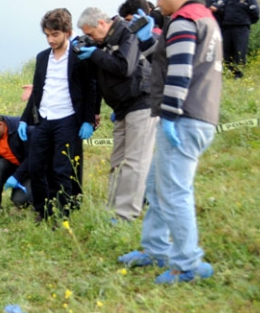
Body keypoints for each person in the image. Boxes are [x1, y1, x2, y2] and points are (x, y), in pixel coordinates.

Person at [118, 0, 223, 284]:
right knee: (156, 184)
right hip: (199, 115)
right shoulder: (202, 19)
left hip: (185, 117)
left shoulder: (182, 20)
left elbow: (180, 72)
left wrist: (170, 114)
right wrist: (147, 41)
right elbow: (167, 62)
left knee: (175, 192)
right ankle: (155, 248)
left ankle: (187, 264)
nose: (157, 2)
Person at [76, 7, 158, 222]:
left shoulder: (127, 33)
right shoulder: (101, 43)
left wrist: (96, 54)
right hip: (121, 108)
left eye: (91, 33)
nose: (90, 38)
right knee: (117, 162)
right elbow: (96, 79)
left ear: (102, 23)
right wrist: (89, 54)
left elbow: (125, 68)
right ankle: (112, 209)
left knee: (134, 162)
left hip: (142, 102)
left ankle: (126, 215)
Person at [18, 8, 96, 222]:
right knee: (35, 167)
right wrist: (25, 119)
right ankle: (43, 211)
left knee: (62, 169)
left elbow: (90, 88)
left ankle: (63, 214)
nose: (50, 40)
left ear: (67, 33)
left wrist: (88, 120)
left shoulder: (79, 56)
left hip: (67, 119)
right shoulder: (42, 58)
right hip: (44, 118)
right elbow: (38, 90)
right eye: (47, 35)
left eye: (55, 34)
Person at [211, 0, 260, 79]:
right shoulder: (227, 1)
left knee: (239, 51)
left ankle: (239, 74)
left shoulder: (249, 1)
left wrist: (244, 21)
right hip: (227, 28)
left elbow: (255, 14)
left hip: (241, 28)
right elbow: (221, 11)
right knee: (225, 53)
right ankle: (231, 71)